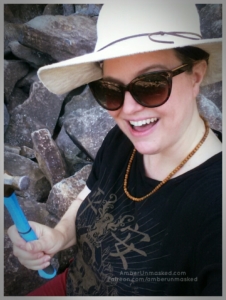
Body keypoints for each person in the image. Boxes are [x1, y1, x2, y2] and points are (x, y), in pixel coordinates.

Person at [7, 1, 222, 296]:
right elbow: (91, 193)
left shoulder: (215, 208)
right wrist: (59, 235)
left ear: (196, 76)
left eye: (151, 84)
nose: (129, 109)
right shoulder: (124, 141)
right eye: (110, 90)